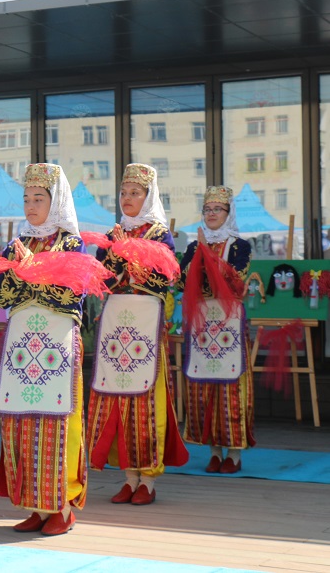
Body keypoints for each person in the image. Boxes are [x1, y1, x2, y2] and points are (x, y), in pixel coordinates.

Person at [0, 163, 87, 536]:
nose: (30, 206)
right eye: (27, 199)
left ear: (57, 201)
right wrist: (19, 272)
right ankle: (33, 504)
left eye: (39, 199)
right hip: (21, 342)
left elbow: (69, 295)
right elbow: (1, 294)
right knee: (20, 421)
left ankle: (61, 507)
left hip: (57, 343)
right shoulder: (17, 244)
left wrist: (30, 273)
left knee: (56, 423)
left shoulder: (71, 243)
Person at [87, 163, 188, 505]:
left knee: (146, 400)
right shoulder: (114, 233)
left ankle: (149, 479)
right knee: (117, 397)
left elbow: (163, 280)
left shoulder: (160, 235)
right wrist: (117, 255)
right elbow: (101, 280)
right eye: (124, 192)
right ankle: (129, 477)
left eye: (135, 193)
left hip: (145, 325)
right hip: (116, 326)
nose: (127, 198)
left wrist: (124, 257)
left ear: (149, 196)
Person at [179, 186, 254, 473]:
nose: (211, 214)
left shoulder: (240, 246)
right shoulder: (194, 246)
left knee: (232, 385)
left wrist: (205, 257)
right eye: (207, 209)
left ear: (228, 213)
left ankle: (234, 452)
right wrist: (200, 255)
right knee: (203, 384)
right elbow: (182, 278)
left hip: (228, 320)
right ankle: (213, 449)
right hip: (202, 322)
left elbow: (234, 278)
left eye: (217, 210)